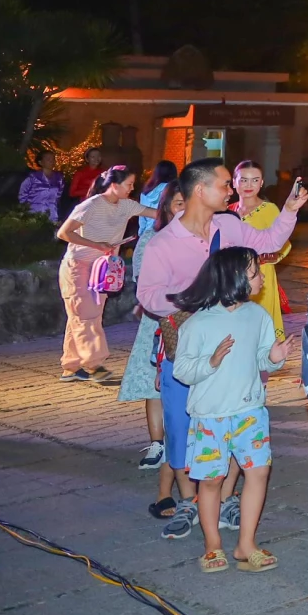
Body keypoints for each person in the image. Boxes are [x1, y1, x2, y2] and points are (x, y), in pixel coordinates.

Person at [138, 158, 306, 542]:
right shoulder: (165, 242)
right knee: (181, 427)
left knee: (232, 422)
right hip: (189, 347)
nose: (231, 190)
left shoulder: (228, 226)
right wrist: (198, 298)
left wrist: (290, 210)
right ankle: (189, 500)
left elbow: (269, 243)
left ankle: (225, 497)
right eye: (225, 183)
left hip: (234, 349)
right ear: (200, 190)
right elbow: (147, 296)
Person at [170, 246, 288, 574]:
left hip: (250, 410)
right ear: (234, 277)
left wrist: (274, 358)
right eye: (254, 272)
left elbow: (262, 358)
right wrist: (210, 362)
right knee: (211, 481)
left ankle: (246, 544)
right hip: (210, 415)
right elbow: (182, 370)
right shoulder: (198, 323)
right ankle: (213, 545)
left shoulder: (258, 316)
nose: (261, 278)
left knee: (258, 472)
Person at [56, 164, 147, 383]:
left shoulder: (127, 205)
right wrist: (97, 244)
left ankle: (71, 367)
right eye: (129, 184)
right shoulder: (91, 205)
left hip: (103, 270)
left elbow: (157, 213)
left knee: (85, 316)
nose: (132, 188)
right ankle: (94, 365)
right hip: (78, 265)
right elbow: (64, 233)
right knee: (85, 315)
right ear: (114, 185)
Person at [121, 178, 181, 494]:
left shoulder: (202, 236)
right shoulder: (152, 238)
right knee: (152, 381)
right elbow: (144, 281)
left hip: (192, 319)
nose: (183, 210)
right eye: (178, 204)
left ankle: (184, 441)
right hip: (157, 318)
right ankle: (157, 443)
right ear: (166, 206)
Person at [230, 162, 291, 344]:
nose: (249, 185)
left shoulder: (269, 209)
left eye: (255, 180)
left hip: (261, 274)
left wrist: (268, 256)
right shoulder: (227, 210)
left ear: (262, 182)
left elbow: (284, 243)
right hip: (233, 275)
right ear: (234, 182)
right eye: (243, 180)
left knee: (260, 323)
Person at [20, 149, 66, 223]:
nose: (51, 161)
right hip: (34, 213)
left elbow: (58, 195)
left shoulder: (59, 178)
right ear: (40, 162)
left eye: (53, 159)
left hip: (51, 213)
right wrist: (25, 209)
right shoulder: (33, 177)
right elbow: (22, 194)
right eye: (48, 159)